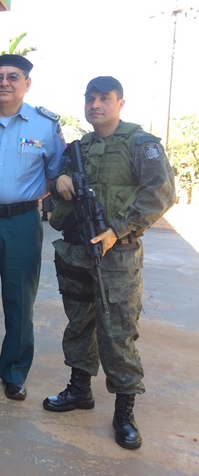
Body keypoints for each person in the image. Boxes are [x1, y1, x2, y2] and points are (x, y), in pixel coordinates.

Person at [44, 76, 176, 450]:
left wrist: (117, 230)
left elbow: (161, 193)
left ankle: (124, 412)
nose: (96, 105)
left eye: (104, 98)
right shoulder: (79, 148)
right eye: (90, 98)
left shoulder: (140, 143)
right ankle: (79, 390)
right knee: (79, 324)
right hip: (76, 253)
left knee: (117, 331)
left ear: (120, 103)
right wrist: (61, 179)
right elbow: (54, 187)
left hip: (117, 257)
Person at [0, 54, 66, 400]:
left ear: (27, 84)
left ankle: (15, 373)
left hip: (21, 223)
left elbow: (57, 176)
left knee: (19, 302)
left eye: (13, 77)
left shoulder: (45, 126)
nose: (4, 83)